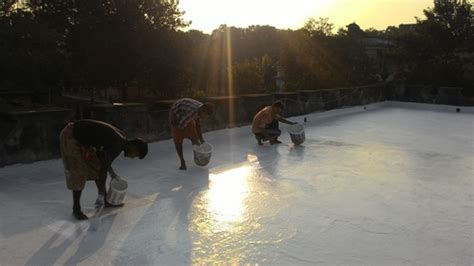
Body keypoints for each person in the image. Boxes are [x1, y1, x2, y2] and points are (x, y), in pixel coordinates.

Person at [59, 119, 148, 220]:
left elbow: (102, 159)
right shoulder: (117, 145)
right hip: (71, 135)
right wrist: (101, 193)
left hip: (82, 138)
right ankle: (76, 209)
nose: (132, 157)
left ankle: (105, 200)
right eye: (135, 155)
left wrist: (112, 173)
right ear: (134, 147)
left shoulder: (122, 139)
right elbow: (103, 169)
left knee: (96, 166)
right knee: (78, 172)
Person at [169, 98, 214, 170]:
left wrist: (201, 139)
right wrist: (177, 129)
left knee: (194, 137)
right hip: (176, 111)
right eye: (205, 115)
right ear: (203, 111)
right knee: (178, 139)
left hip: (185, 110)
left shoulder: (201, 110)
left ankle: (197, 156)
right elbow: (181, 125)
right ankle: (182, 161)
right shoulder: (192, 112)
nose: (205, 118)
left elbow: (198, 125)